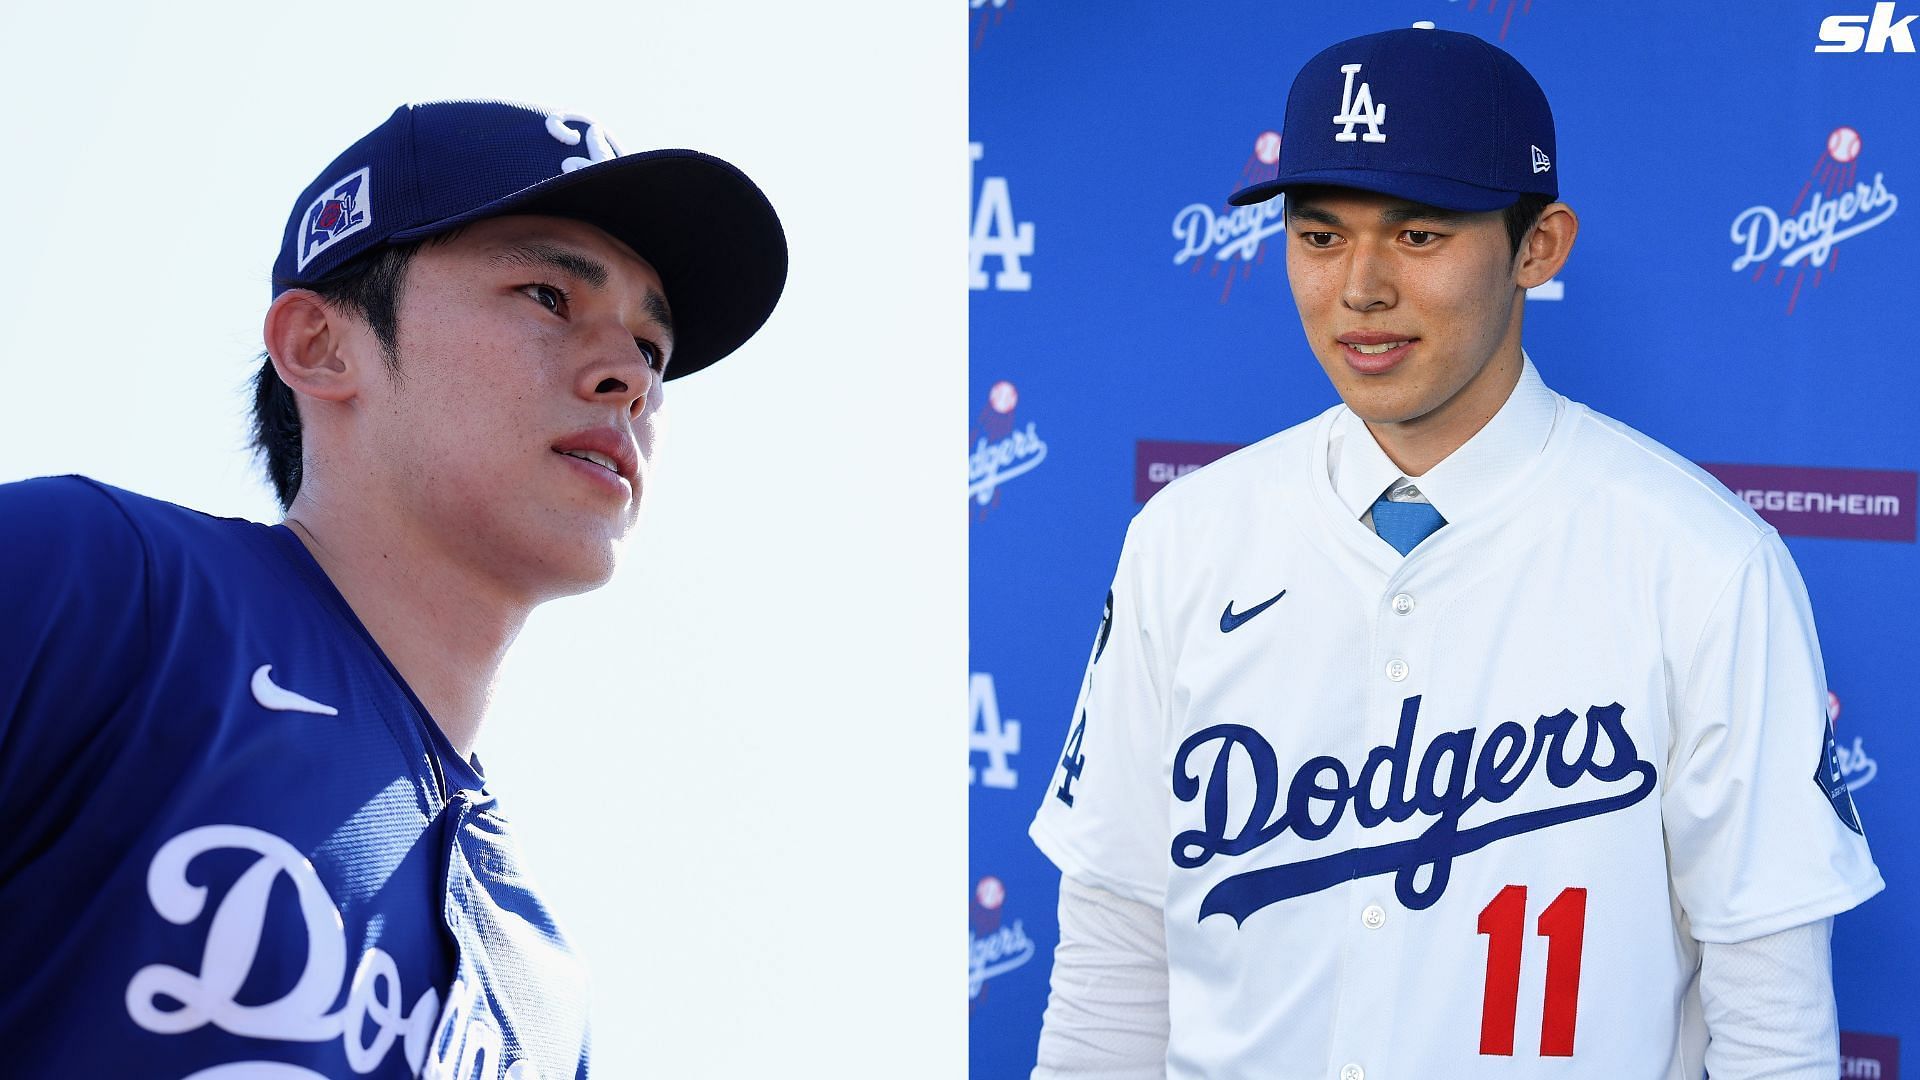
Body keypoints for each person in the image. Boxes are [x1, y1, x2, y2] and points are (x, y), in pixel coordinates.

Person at [1028, 27, 1882, 1080]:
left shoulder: (1702, 562)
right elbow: (1117, 956)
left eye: (1420, 234)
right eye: (1320, 234)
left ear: (1540, 245)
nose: (1361, 288)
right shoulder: (1185, 538)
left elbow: (1773, 1017)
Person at [0, 100, 785, 1078]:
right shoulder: (95, 582)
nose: (629, 375)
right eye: (548, 294)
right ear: (322, 347)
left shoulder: (549, 991)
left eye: (655, 350)